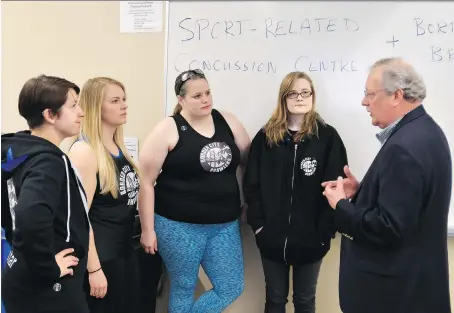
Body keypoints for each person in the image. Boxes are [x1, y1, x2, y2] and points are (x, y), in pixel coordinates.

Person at [323, 57, 452, 313]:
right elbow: (408, 209)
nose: (364, 101)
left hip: (394, 296)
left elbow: (388, 228)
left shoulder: (403, 148)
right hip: (415, 289)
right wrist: (362, 193)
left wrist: (342, 206)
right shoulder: (426, 132)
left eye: (370, 94)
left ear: (396, 95)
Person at [139, 69, 250, 313]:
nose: (205, 100)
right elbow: (146, 182)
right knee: (183, 286)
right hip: (177, 225)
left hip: (223, 225)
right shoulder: (168, 129)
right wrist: (147, 230)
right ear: (181, 100)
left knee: (231, 286)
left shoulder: (227, 121)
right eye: (197, 95)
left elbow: (246, 162)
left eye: (208, 93)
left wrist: (246, 203)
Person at [243, 71, 348, 313]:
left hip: (312, 238)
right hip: (271, 237)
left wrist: (325, 232)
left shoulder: (327, 137)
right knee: (275, 299)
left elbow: (336, 188)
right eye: (293, 93)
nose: (300, 98)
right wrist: (260, 226)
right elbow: (251, 185)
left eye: (305, 92)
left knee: (305, 300)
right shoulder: (266, 137)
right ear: (284, 98)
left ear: (313, 96)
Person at [1, 75, 89, 313]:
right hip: (47, 287)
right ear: (50, 115)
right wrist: (48, 268)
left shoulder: (18, 149)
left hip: (21, 270)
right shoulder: (48, 160)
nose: (81, 112)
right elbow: (29, 214)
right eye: (73, 106)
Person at [68, 77, 141, 313]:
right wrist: (94, 269)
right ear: (95, 107)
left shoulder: (118, 148)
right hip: (102, 259)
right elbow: (79, 218)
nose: (124, 105)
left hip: (125, 253)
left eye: (125, 99)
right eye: (115, 100)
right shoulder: (84, 151)